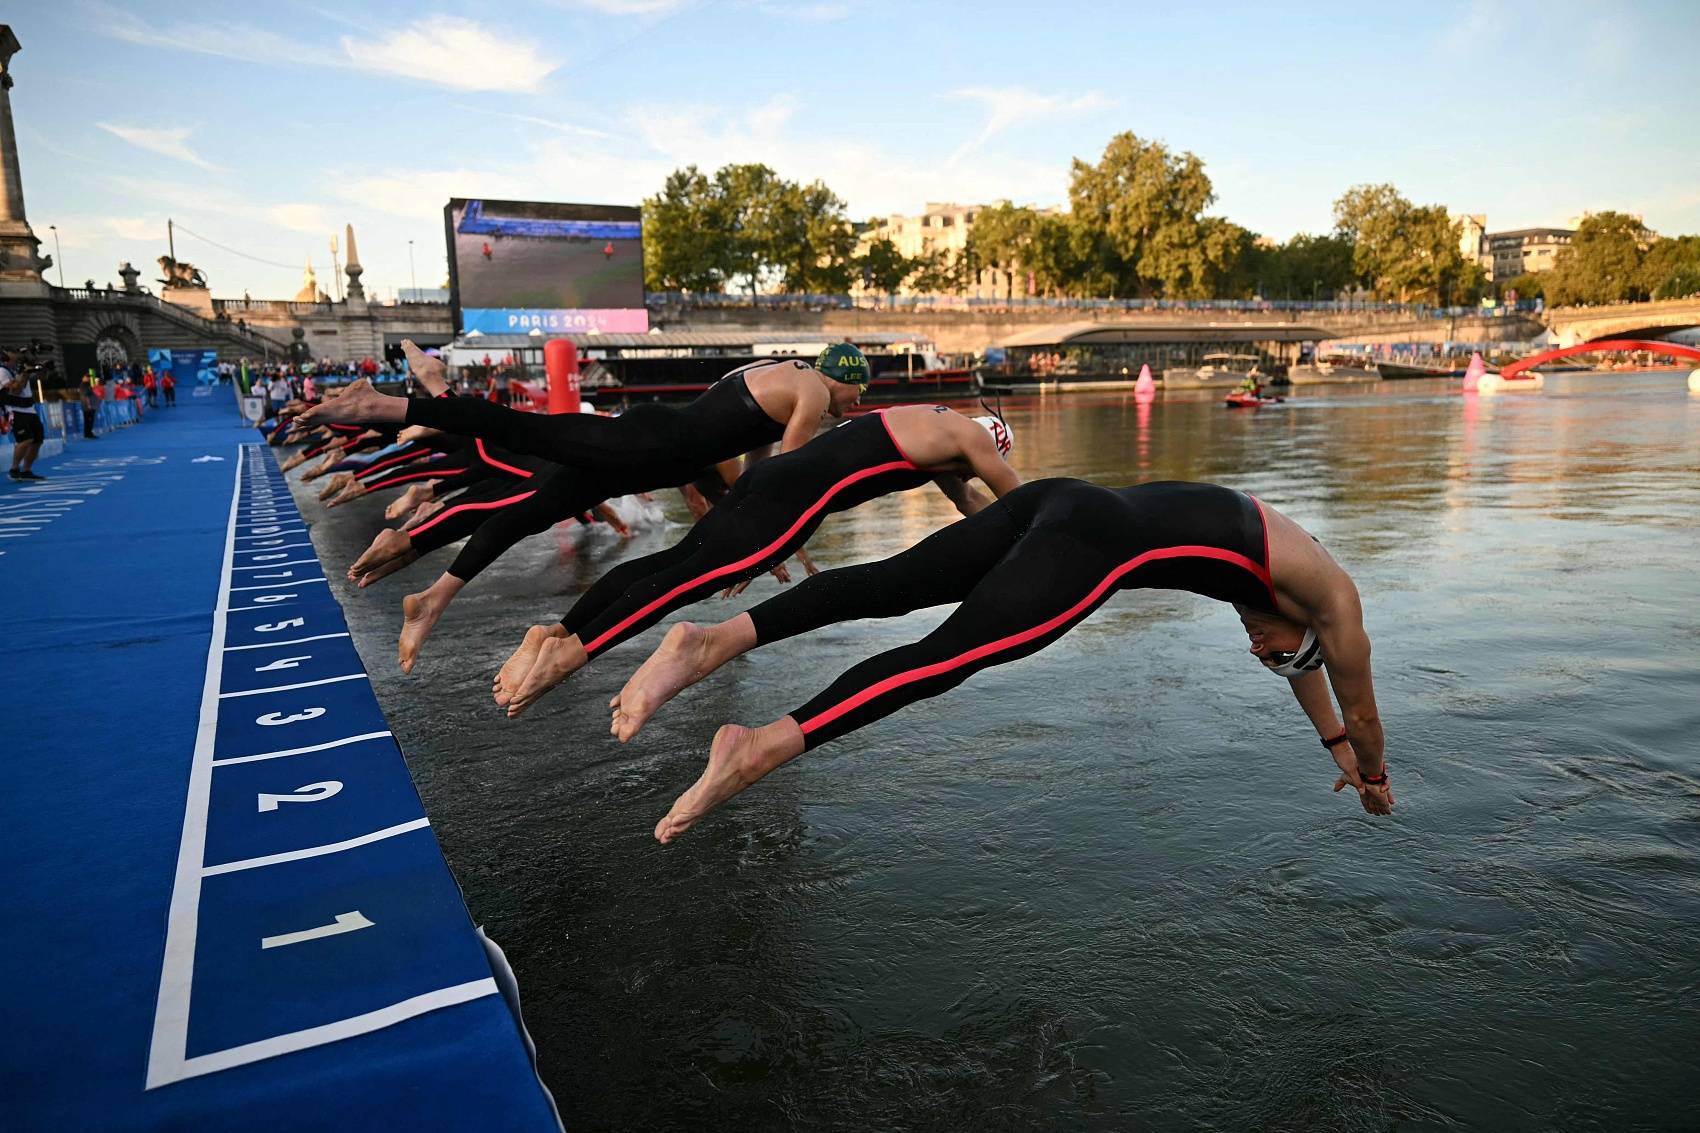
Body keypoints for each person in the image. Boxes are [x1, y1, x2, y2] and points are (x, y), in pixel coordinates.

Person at [604, 478, 1390, 843]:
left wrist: (1332, 752)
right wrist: (1374, 774)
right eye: (1274, 652)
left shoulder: (1285, 578)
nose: (1259, 649)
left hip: (1058, 500)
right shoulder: (1339, 605)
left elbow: (1307, 677)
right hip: (1091, 548)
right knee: (941, 658)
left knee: (888, 585)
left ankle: (709, 641)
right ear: (1311, 629)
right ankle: (759, 746)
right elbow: (1356, 702)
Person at [300, 341, 876, 670]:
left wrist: (762, 541)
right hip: (650, 446)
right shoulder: (815, 389)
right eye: (857, 395)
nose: (850, 408)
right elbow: (784, 474)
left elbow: (752, 471)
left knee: (531, 511)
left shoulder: (776, 371)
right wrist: (784, 539)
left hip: (652, 450)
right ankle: (387, 404)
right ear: (843, 378)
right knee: (522, 432)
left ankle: (432, 599)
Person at [494, 404, 1021, 716]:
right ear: (993, 444)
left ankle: (555, 634)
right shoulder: (976, 438)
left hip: (767, 478)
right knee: (685, 583)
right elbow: (1022, 504)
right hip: (795, 498)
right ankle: (574, 656)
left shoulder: (931, 425)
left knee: (675, 563)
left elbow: (969, 504)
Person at [3, 350, 45, 480]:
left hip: (29, 409)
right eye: (14, 355)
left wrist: (41, 369)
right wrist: (25, 374)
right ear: (7, 358)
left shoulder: (18, 370)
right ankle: (14, 469)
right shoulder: (3, 371)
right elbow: (15, 390)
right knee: (25, 440)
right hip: (14, 409)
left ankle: (27, 470)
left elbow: (40, 378)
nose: (17, 358)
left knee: (38, 440)